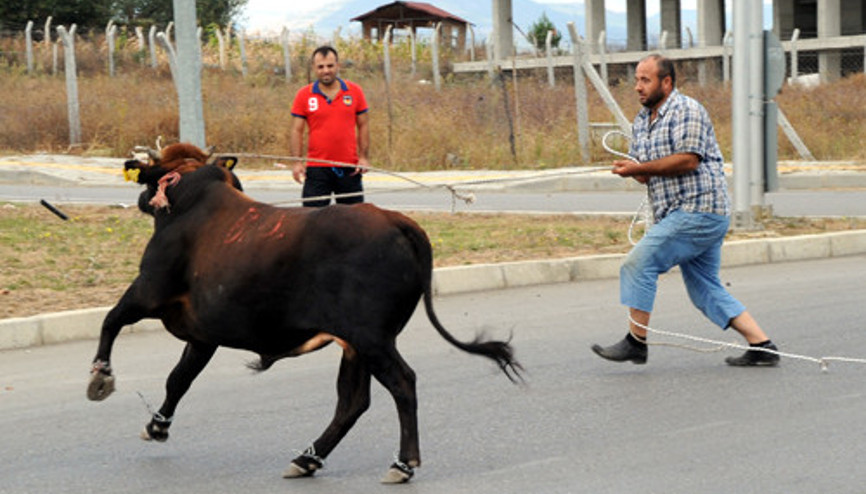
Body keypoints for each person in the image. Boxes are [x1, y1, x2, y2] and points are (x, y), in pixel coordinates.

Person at [591, 54, 780, 367]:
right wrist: (632, 169)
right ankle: (763, 345)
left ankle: (636, 342)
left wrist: (641, 168)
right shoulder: (641, 121)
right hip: (682, 215)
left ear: (666, 82)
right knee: (704, 288)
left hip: (698, 211)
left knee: (639, 263)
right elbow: (645, 173)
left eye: (645, 80)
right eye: (637, 80)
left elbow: (688, 160)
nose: (638, 87)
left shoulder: (686, 110)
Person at [289, 45, 370, 207]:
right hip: (317, 168)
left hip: (349, 168)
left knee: (353, 218)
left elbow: (363, 125)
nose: (326, 71)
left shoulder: (354, 91)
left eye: (330, 66)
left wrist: (363, 157)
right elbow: (296, 130)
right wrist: (297, 162)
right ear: (314, 68)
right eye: (321, 67)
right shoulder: (304, 95)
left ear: (338, 66)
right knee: (312, 218)